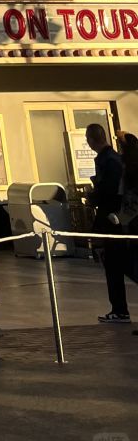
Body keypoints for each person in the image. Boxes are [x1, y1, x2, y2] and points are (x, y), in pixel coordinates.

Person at [87, 123, 128, 322]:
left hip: (112, 219)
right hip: (115, 218)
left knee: (116, 263)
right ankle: (119, 308)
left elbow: (109, 190)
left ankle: (119, 309)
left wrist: (94, 196)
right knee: (118, 263)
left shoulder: (108, 160)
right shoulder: (113, 159)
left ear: (91, 139)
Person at [101, 131, 138, 328]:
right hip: (129, 228)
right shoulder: (126, 166)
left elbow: (135, 201)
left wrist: (121, 217)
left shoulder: (133, 169)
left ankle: (120, 311)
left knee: (131, 266)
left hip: (133, 227)